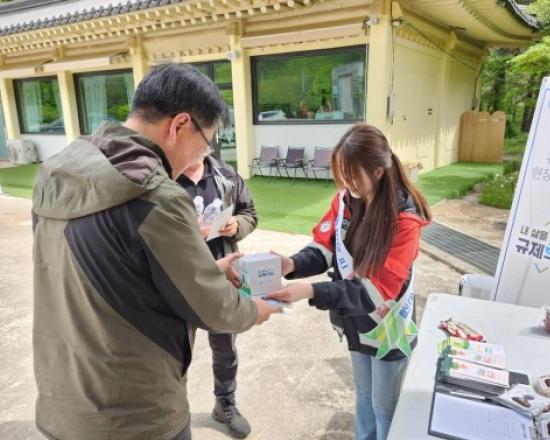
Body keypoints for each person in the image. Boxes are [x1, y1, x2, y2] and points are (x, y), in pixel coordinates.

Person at [32, 63, 280, 440]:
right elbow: (213, 309)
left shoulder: (57, 172)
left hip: (62, 398)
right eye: (206, 141)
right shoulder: (156, 196)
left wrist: (211, 270)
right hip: (135, 413)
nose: (203, 154)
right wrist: (254, 310)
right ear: (180, 125)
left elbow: (118, 274)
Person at [266, 124, 432, 440]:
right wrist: (292, 264)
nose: (345, 182)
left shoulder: (405, 221)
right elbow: (326, 247)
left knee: (385, 407)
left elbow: (375, 292)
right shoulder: (346, 200)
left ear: (379, 171)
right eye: (341, 174)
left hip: (387, 328)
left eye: (352, 175)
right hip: (356, 320)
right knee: (363, 396)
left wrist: (309, 290)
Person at [176, 153, 257, 438]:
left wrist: (237, 225)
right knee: (174, 351)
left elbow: (250, 213)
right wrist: (188, 232)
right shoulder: (165, 177)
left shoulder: (226, 175)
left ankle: (225, 404)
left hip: (222, 279)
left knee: (225, 348)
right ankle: (174, 414)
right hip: (180, 279)